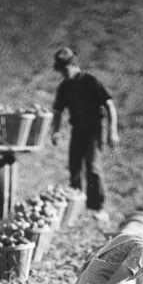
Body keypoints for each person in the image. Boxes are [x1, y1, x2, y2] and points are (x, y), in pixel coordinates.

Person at [50, 47, 119, 215]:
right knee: (74, 168)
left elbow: (109, 105)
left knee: (93, 168)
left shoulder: (90, 81)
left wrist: (113, 132)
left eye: (65, 69)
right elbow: (58, 111)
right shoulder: (64, 87)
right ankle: (75, 209)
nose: (64, 73)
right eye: (61, 70)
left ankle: (97, 208)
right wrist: (56, 131)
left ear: (74, 65)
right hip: (77, 130)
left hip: (94, 131)